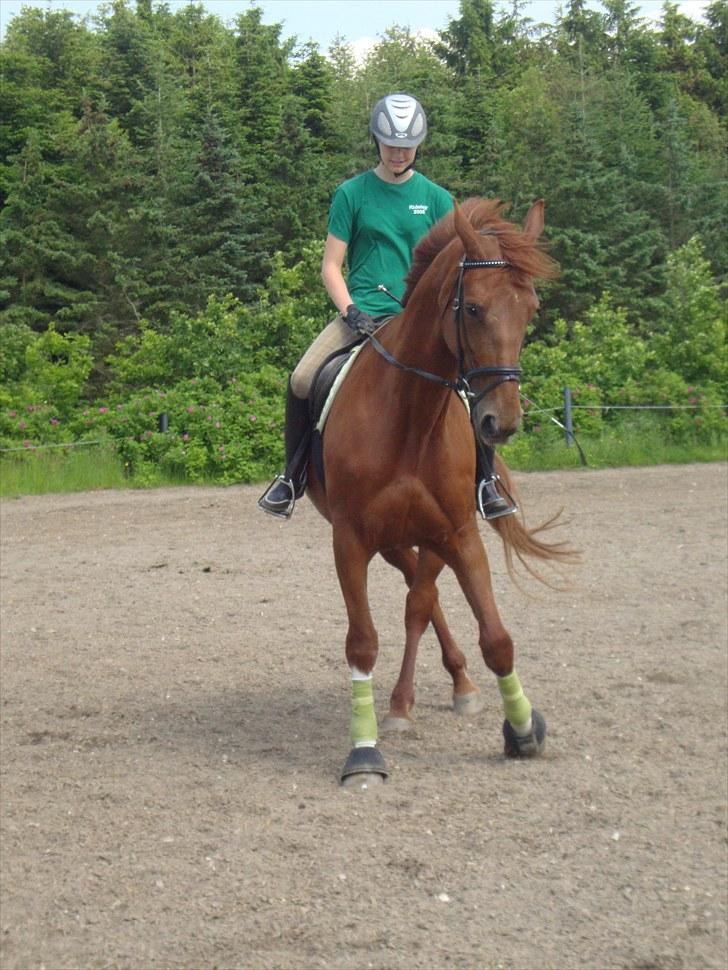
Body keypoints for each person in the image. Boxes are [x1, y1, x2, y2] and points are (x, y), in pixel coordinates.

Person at [258, 92, 516, 521]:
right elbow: (331, 266)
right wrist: (349, 310)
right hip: (361, 316)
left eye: (407, 146)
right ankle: (291, 477)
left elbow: (456, 269)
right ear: (376, 141)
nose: (398, 154)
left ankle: (486, 483)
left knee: (470, 387)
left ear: (418, 146)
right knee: (302, 378)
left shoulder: (436, 199)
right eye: (390, 144)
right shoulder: (351, 194)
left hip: (418, 324)